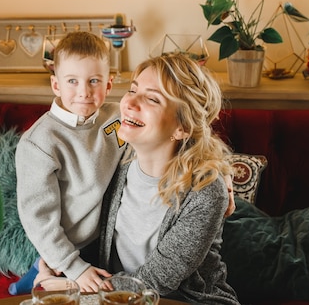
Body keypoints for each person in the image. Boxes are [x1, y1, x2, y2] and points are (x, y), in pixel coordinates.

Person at [97, 53, 240, 304]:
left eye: (152, 98)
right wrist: (58, 265)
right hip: (116, 296)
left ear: (181, 127)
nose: (130, 103)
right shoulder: (113, 155)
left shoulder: (206, 191)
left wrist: (84, 283)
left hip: (184, 300)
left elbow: (157, 280)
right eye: (132, 90)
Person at [12, 31, 127, 294]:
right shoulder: (40, 142)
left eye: (93, 80)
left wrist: (219, 171)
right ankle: (34, 277)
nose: (84, 92)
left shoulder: (117, 116)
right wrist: (74, 267)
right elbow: (38, 217)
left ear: (108, 85)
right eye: (72, 81)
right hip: (66, 246)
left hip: (105, 238)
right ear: (56, 85)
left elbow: (169, 130)